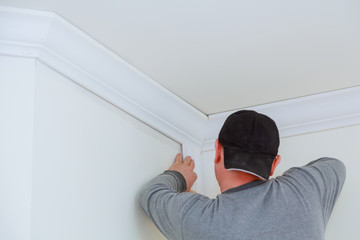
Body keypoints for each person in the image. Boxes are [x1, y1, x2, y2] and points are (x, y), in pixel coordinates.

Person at [139, 110, 346, 240]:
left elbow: (151, 194)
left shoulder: (201, 220)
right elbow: (335, 166)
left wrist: (180, 176)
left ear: (218, 150)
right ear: (274, 164)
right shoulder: (305, 189)